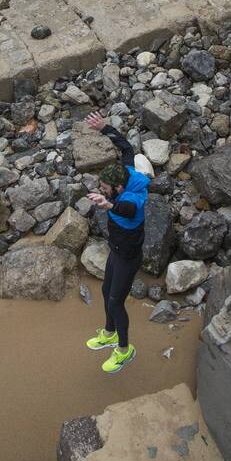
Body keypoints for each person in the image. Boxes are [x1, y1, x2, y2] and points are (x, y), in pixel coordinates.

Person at [82, 110, 150, 373]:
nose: (101, 190)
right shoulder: (127, 171)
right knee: (104, 292)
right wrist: (104, 127)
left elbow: (127, 211)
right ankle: (109, 333)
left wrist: (109, 204)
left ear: (118, 189)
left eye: (105, 188)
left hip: (128, 257)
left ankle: (124, 350)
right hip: (116, 251)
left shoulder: (133, 200)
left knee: (115, 302)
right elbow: (126, 147)